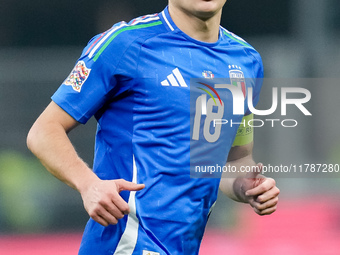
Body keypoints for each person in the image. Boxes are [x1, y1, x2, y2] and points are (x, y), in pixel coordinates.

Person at [27, 0, 280, 254]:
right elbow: (44, 131)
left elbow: (234, 160)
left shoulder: (246, 61)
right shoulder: (125, 44)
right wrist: (88, 184)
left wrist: (246, 186)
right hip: (123, 246)